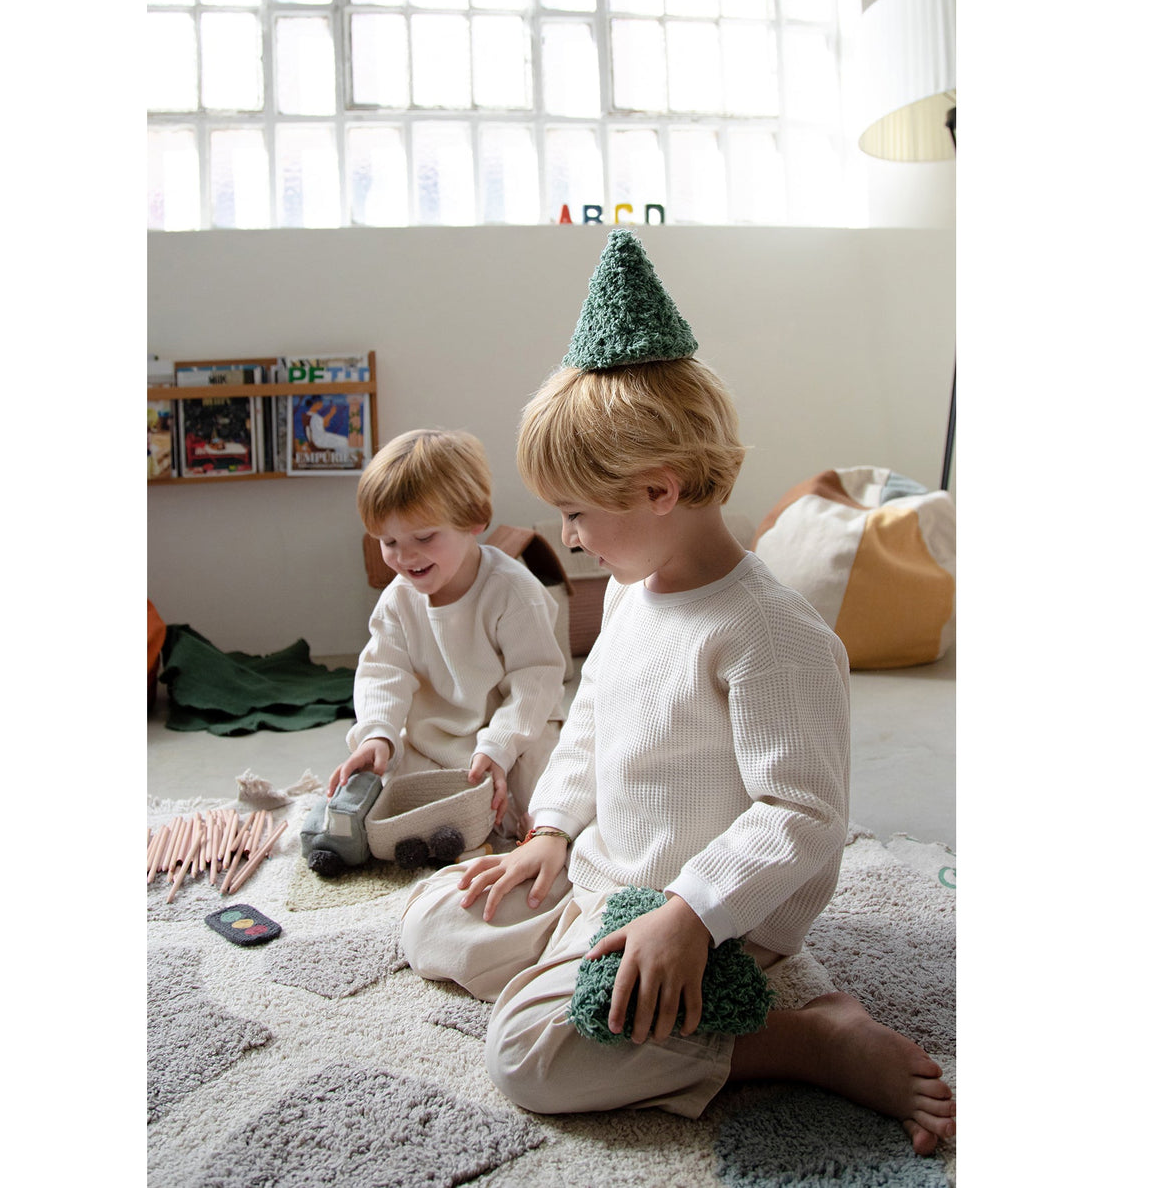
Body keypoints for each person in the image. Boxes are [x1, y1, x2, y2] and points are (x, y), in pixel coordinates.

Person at [399, 231, 955, 1156]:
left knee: (529, 1056)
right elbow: (588, 722)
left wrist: (691, 913)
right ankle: (586, 963)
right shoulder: (630, 593)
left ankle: (798, 1038)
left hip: (701, 908)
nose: (569, 539)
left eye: (576, 514)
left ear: (659, 490)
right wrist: (550, 833)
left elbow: (803, 813)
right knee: (431, 922)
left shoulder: (769, 634)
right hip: (601, 876)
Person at [328, 428, 566, 840]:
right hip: (437, 740)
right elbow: (383, 673)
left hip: (513, 731)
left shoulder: (513, 591)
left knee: (546, 788)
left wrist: (499, 746)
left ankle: (517, 822)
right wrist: (378, 733)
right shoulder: (397, 600)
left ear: (474, 520)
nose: (405, 556)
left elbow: (536, 682)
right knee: (391, 785)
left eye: (423, 537)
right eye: (389, 541)